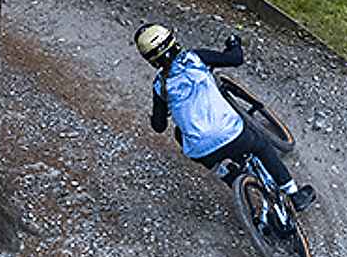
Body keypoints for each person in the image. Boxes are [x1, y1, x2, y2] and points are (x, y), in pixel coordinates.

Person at [134, 23, 316, 211]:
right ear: (173, 41)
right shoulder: (193, 58)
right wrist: (234, 44)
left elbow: (159, 126)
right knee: (262, 146)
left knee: (180, 134)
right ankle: (294, 193)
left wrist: (155, 116)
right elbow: (235, 59)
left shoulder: (159, 86)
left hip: (201, 150)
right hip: (232, 134)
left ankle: (229, 176)